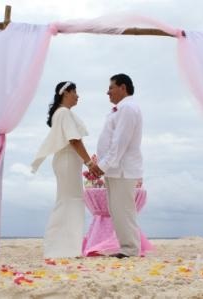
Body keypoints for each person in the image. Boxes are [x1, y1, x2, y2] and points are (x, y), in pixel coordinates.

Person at [31, 81, 95, 258]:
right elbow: (74, 140)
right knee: (70, 201)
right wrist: (89, 163)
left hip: (66, 161)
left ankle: (64, 246)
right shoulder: (64, 113)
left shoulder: (60, 113)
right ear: (66, 93)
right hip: (66, 161)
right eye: (75, 91)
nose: (77, 95)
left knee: (68, 201)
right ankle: (62, 248)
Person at [90, 74, 143, 258]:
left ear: (123, 87)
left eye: (111, 87)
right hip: (115, 169)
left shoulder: (128, 108)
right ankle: (126, 248)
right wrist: (104, 167)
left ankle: (130, 250)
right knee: (117, 210)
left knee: (123, 209)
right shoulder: (120, 109)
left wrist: (101, 166)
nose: (108, 92)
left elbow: (120, 142)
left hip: (122, 169)